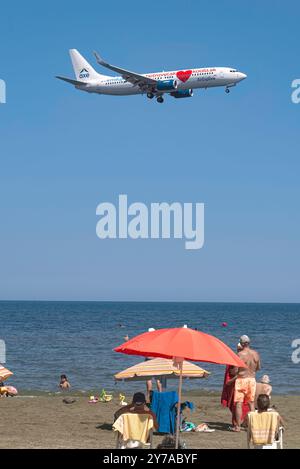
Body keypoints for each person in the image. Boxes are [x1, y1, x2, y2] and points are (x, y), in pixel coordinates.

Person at [232, 335, 261, 432]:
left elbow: (235, 371)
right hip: (252, 379)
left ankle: (238, 427)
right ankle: (253, 426)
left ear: (241, 343)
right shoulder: (256, 354)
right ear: (249, 343)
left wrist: (232, 372)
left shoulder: (240, 355)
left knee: (239, 404)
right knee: (251, 403)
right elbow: (258, 368)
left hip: (241, 379)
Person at [221, 344, 249, 427]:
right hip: (244, 382)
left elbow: (234, 372)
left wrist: (230, 380)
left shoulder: (237, 358)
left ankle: (237, 423)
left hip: (237, 383)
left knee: (236, 404)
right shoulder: (247, 357)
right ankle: (241, 422)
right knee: (242, 403)